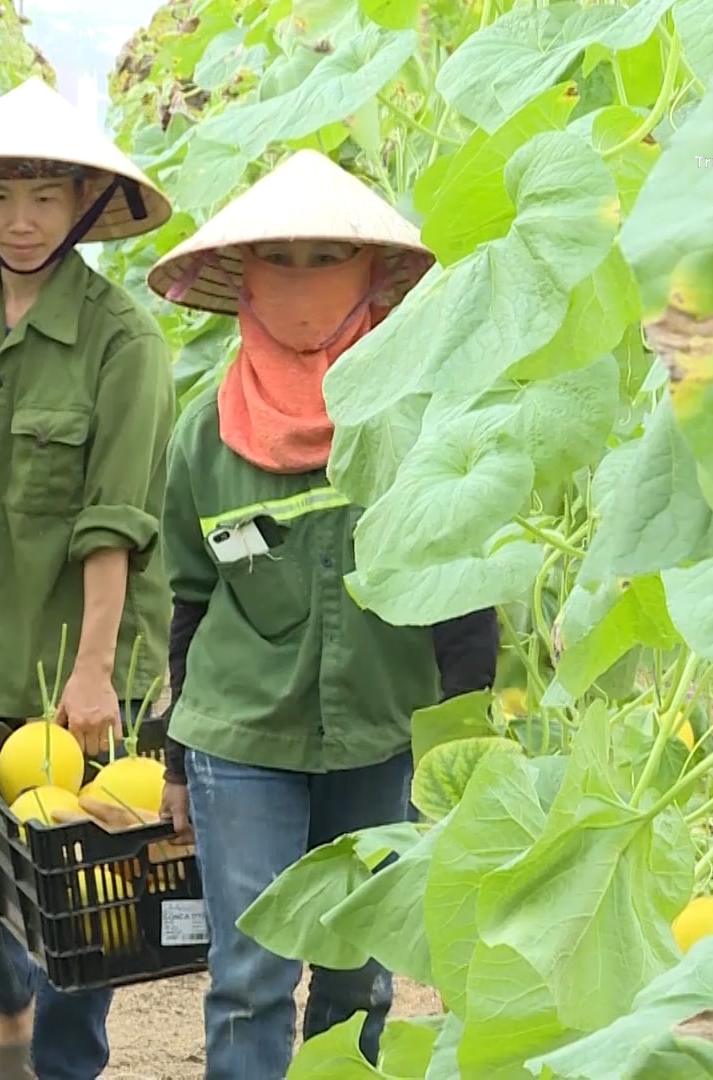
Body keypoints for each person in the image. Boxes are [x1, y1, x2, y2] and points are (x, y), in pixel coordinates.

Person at [143, 149, 500, 1077]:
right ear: (246, 282)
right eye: (281, 261)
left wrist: (466, 745)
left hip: (380, 732)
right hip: (240, 733)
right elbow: (192, 598)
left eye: (324, 260)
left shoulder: (418, 416)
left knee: (356, 973)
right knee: (250, 973)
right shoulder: (203, 433)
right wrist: (174, 759)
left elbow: (462, 592)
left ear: (372, 277)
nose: (302, 285)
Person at [0, 78, 177, 1080]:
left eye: (46, 196)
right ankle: (5, 1004)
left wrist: (95, 671)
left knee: (85, 897)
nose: (21, 220)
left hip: (81, 654)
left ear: (85, 207)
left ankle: (61, 1065)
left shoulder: (124, 341)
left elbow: (118, 521)